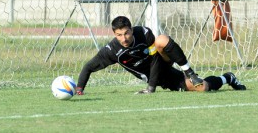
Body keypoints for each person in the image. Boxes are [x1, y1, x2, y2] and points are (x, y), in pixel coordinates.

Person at [76, 16, 246, 95]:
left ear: (131, 29)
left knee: (162, 40)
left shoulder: (143, 33)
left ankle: (190, 72)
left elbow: (156, 57)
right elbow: (88, 67)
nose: (124, 38)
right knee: (204, 88)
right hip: (162, 77)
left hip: (162, 62)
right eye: (119, 35)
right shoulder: (111, 51)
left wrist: (150, 89)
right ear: (114, 34)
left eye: (127, 33)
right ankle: (228, 78)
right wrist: (79, 89)